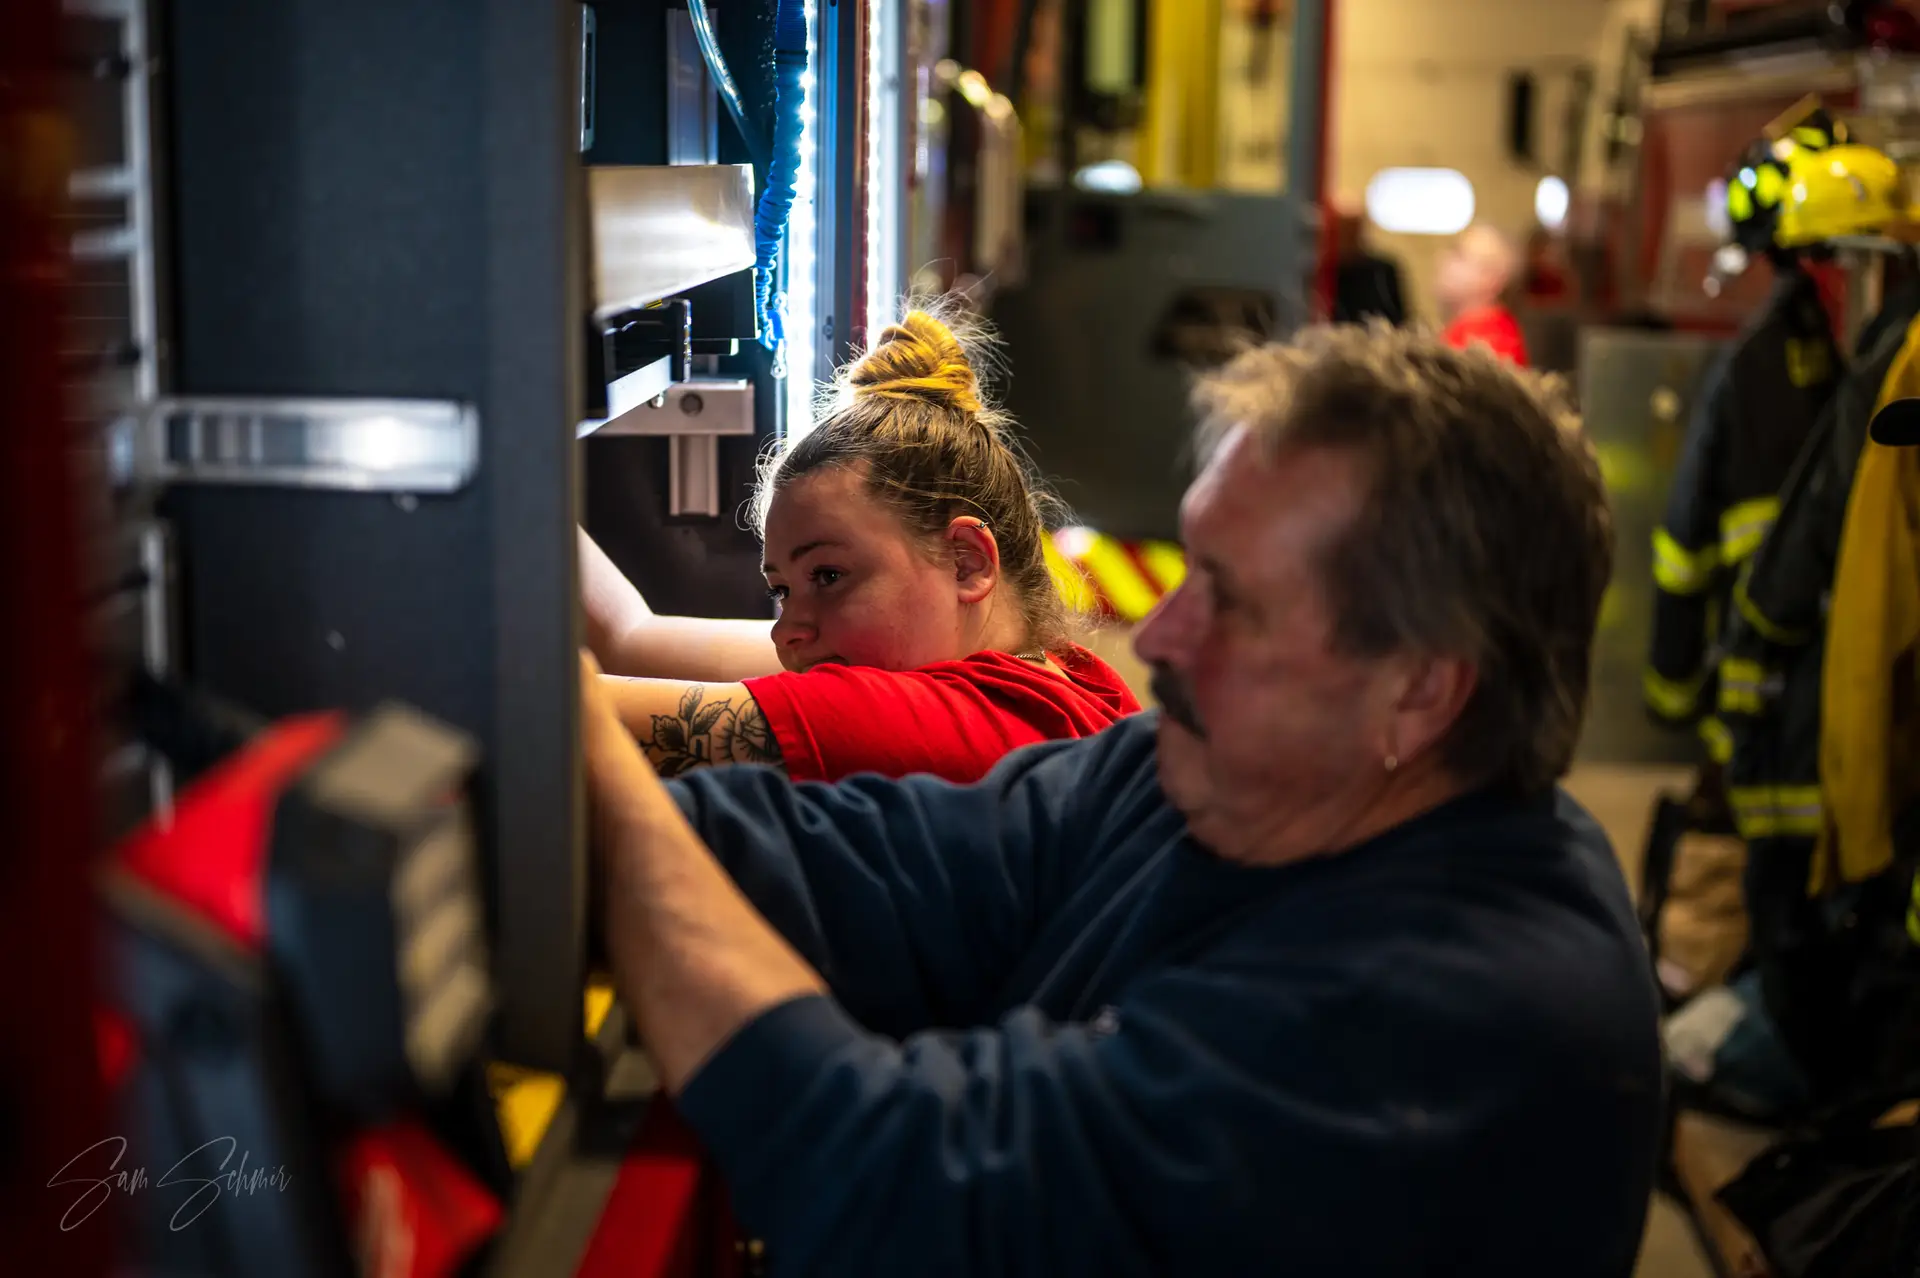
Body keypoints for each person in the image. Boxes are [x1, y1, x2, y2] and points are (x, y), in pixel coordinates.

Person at [579, 324, 1663, 1274]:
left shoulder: (1445, 1031)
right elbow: (878, 863)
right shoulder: (1198, 779)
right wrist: (570, 813)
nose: (1163, 635)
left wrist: (584, 756)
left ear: (1419, 688)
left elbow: (915, 1184)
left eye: (1229, 600)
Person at [579, 309, 1139, 783]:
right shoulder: (1073, 684)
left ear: (967, 562)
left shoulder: (923, 724)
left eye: (828, 576)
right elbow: (629, 638)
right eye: (782, 590)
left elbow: (569, 717)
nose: (784, 633)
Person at [1437, 223, 1529, 365]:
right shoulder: (1463, 327)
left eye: (1460, 257)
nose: (1445, 261)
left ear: (1493, 279)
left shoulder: (1492, 342)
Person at [1329, 204, 1408, 327]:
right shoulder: (1325, 272)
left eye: (1353, 227)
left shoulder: (1382, 270)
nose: (1348, 234)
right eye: (1343, 228)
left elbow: (1400, 321)